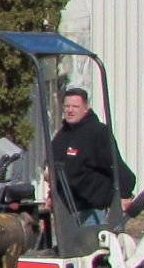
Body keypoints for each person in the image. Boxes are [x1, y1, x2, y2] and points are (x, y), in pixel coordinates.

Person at [51, 86, 134, 227]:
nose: (70, 110)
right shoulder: (61, 136)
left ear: (86, 107)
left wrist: (125, 194)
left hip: (91, 211)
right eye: (67, 106)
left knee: (91, 248)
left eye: (75, 106)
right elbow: (56, 171)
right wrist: (51, 196)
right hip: (66, 211)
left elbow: (115, 165)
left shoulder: (98, 133)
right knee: (69, 249)